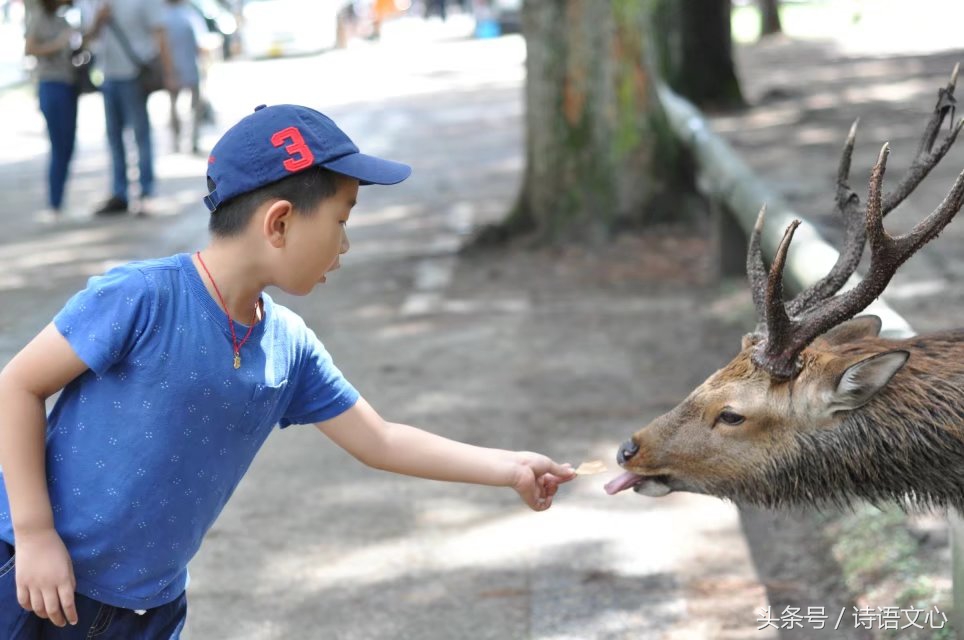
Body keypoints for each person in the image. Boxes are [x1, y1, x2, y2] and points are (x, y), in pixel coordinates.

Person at [0, 103, 576, 637]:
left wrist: (510, 467)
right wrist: (34, 533)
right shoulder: (143, 297)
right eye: (340, 219)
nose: (345, 244)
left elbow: (382, 439)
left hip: (149, 609)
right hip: (31, 582)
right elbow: (18, 384)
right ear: (278, 223)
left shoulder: (288, 346)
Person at [90, 0, 175, 216]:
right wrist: (99, 19)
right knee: (113, 138)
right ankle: (120, 193)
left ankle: (146, 193)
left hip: (134, 74)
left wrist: (169, 73)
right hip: (108, 75)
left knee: (141, 136)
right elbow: (89, 38)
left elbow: (160, 33)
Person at [23, 0, 103, 221]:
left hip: (69, 84)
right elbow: (29, 48)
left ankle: (59, 200)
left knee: (68, 145)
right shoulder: (39, 18)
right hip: (51, 84)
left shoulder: (63, 19)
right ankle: (55, 202)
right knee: (59, 144)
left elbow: (74, 49)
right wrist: (58, 43)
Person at [163, 0, 202, 154]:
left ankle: (176, 140)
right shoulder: (190, 16)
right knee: (195, 107)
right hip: (190, 67)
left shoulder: (163, 18)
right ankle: (193, 140)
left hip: (172, 68)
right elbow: (198, 45)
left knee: (174, 106)